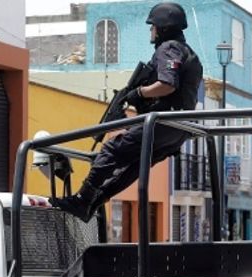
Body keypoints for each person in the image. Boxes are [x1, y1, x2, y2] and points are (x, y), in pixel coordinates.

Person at [51, 2, 203, 221]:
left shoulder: (168, 48)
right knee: (133, 165)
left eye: (153, 26)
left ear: (163, 27)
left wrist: (139, 93)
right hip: (177, 131)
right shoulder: (188, 53)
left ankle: (83, 199)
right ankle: (95, 200)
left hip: (162, 124)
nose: (151, 30)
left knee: (112, 150)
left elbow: (167, 84)